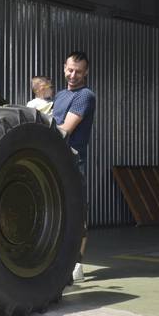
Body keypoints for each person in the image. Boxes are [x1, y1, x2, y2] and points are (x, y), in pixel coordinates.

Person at [52, 51, 96, 283]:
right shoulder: (59, 95)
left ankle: (77, 264)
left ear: (86, 72)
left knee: (77, 214)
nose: (73, 75)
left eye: (78, 71)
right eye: (70, 70)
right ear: (64, 67)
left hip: (73, 160)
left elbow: (65, 129)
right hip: (56, 158)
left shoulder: (85, 96)